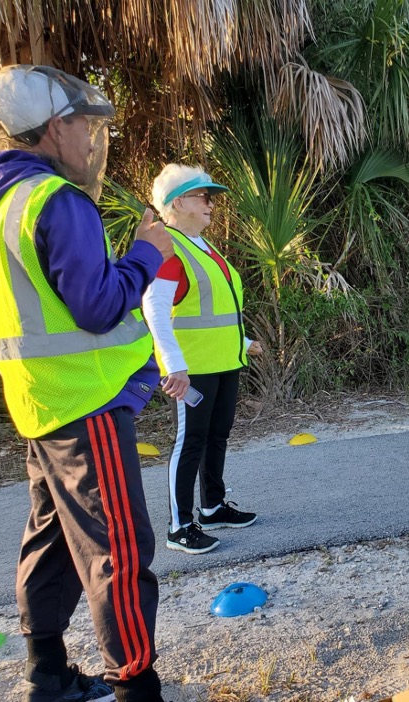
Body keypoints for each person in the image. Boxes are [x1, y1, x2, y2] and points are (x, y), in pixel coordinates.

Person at [0, 65, 172, 702]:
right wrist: (145, 254)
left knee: (51, 540)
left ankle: (45, 674)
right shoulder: (56, 200)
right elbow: (100, 306)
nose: (90, 139)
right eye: (85, 125)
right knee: (119, 552)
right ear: (56, 128)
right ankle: (136, 685)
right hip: (88, 403)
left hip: (40, 405)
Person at [142, 164, 262, 556]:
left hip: (224, 362)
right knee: (190, 442)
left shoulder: (205, 248)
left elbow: (211, 309)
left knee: (217, 436)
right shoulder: (170, 248)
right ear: (178, 203)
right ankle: (180, 526)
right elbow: (155, 310)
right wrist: (172, 364)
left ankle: (211, 507)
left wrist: (243, 342)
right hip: (191, 369)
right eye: (202, 196)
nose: (210, 204)